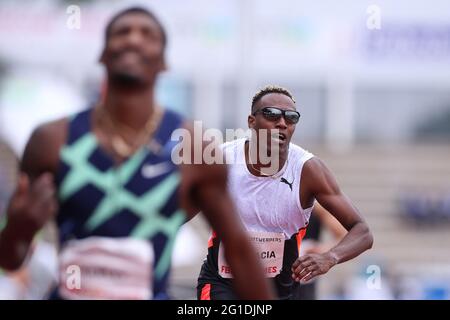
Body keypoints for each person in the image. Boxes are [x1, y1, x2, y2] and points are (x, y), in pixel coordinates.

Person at [0, 7, 274, 300]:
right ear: (103, 54)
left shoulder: (194, 148)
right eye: (121, 32)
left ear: (164, 62)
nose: (133, 39)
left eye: (147, 34)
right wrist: (19, 226)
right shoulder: (52, 141)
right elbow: (10, 260)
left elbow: (239, 252)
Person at [197, 85, 373, 300]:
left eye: (291, 118)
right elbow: (179, 211)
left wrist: (330, 256)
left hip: (280, 289)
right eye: (271, 114)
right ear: (251, 121)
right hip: (221, 282)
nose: (282, 123)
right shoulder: (221, 159)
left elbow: (362, 231)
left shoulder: (308, 170)